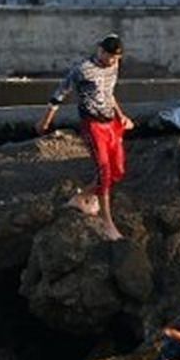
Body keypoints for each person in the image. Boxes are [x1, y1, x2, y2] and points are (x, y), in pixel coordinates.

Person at [39, 34, 134, 241]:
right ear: (99, 49)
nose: (111, 61)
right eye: (108, 56)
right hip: (93, 125)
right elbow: (59, 93)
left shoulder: (114, 66)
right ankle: (107, 223)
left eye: (115, 58)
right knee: (104, 172)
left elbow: (109, 93)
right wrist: (45, 121)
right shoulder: (82, 70)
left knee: (117, 171)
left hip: (111, 123)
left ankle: (81, 198)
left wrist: (121, 115)